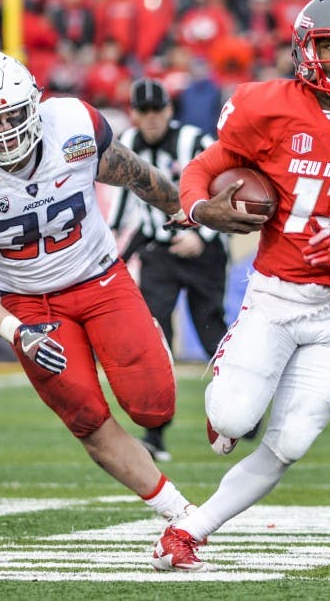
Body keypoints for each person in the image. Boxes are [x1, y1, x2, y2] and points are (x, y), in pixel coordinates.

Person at [152, 0, 330, 571]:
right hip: (278, 296)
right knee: (234, 419)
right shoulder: (265, 108)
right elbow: (202, 170)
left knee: (291, 443)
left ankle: (189, 532)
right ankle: (225, 398)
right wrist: (198, 209)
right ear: (305, 49)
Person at [0, 52, 195, 528]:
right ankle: (177, 511)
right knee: (86, 416)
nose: (5, 131)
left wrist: (181, 206)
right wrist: (16, 331)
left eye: (11, 115)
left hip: (99, 278)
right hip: (29, 304)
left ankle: (147, 339)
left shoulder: (71, 124)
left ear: (34, 104)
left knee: (154, 407)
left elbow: (134, 173)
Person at [108, 78, 226, 463]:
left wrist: (203, 237)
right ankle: (155, 434)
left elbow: (224, 188)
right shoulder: (128, 143)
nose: (151, 118)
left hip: (202, 251)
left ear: (169, 110)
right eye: (143, 111)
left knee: (211, 330)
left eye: (157, 109)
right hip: (158, 251)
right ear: (134, 114)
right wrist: (113, 256)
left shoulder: (195, 141)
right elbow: (123, 205)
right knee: (156, 336)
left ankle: (238, 411)